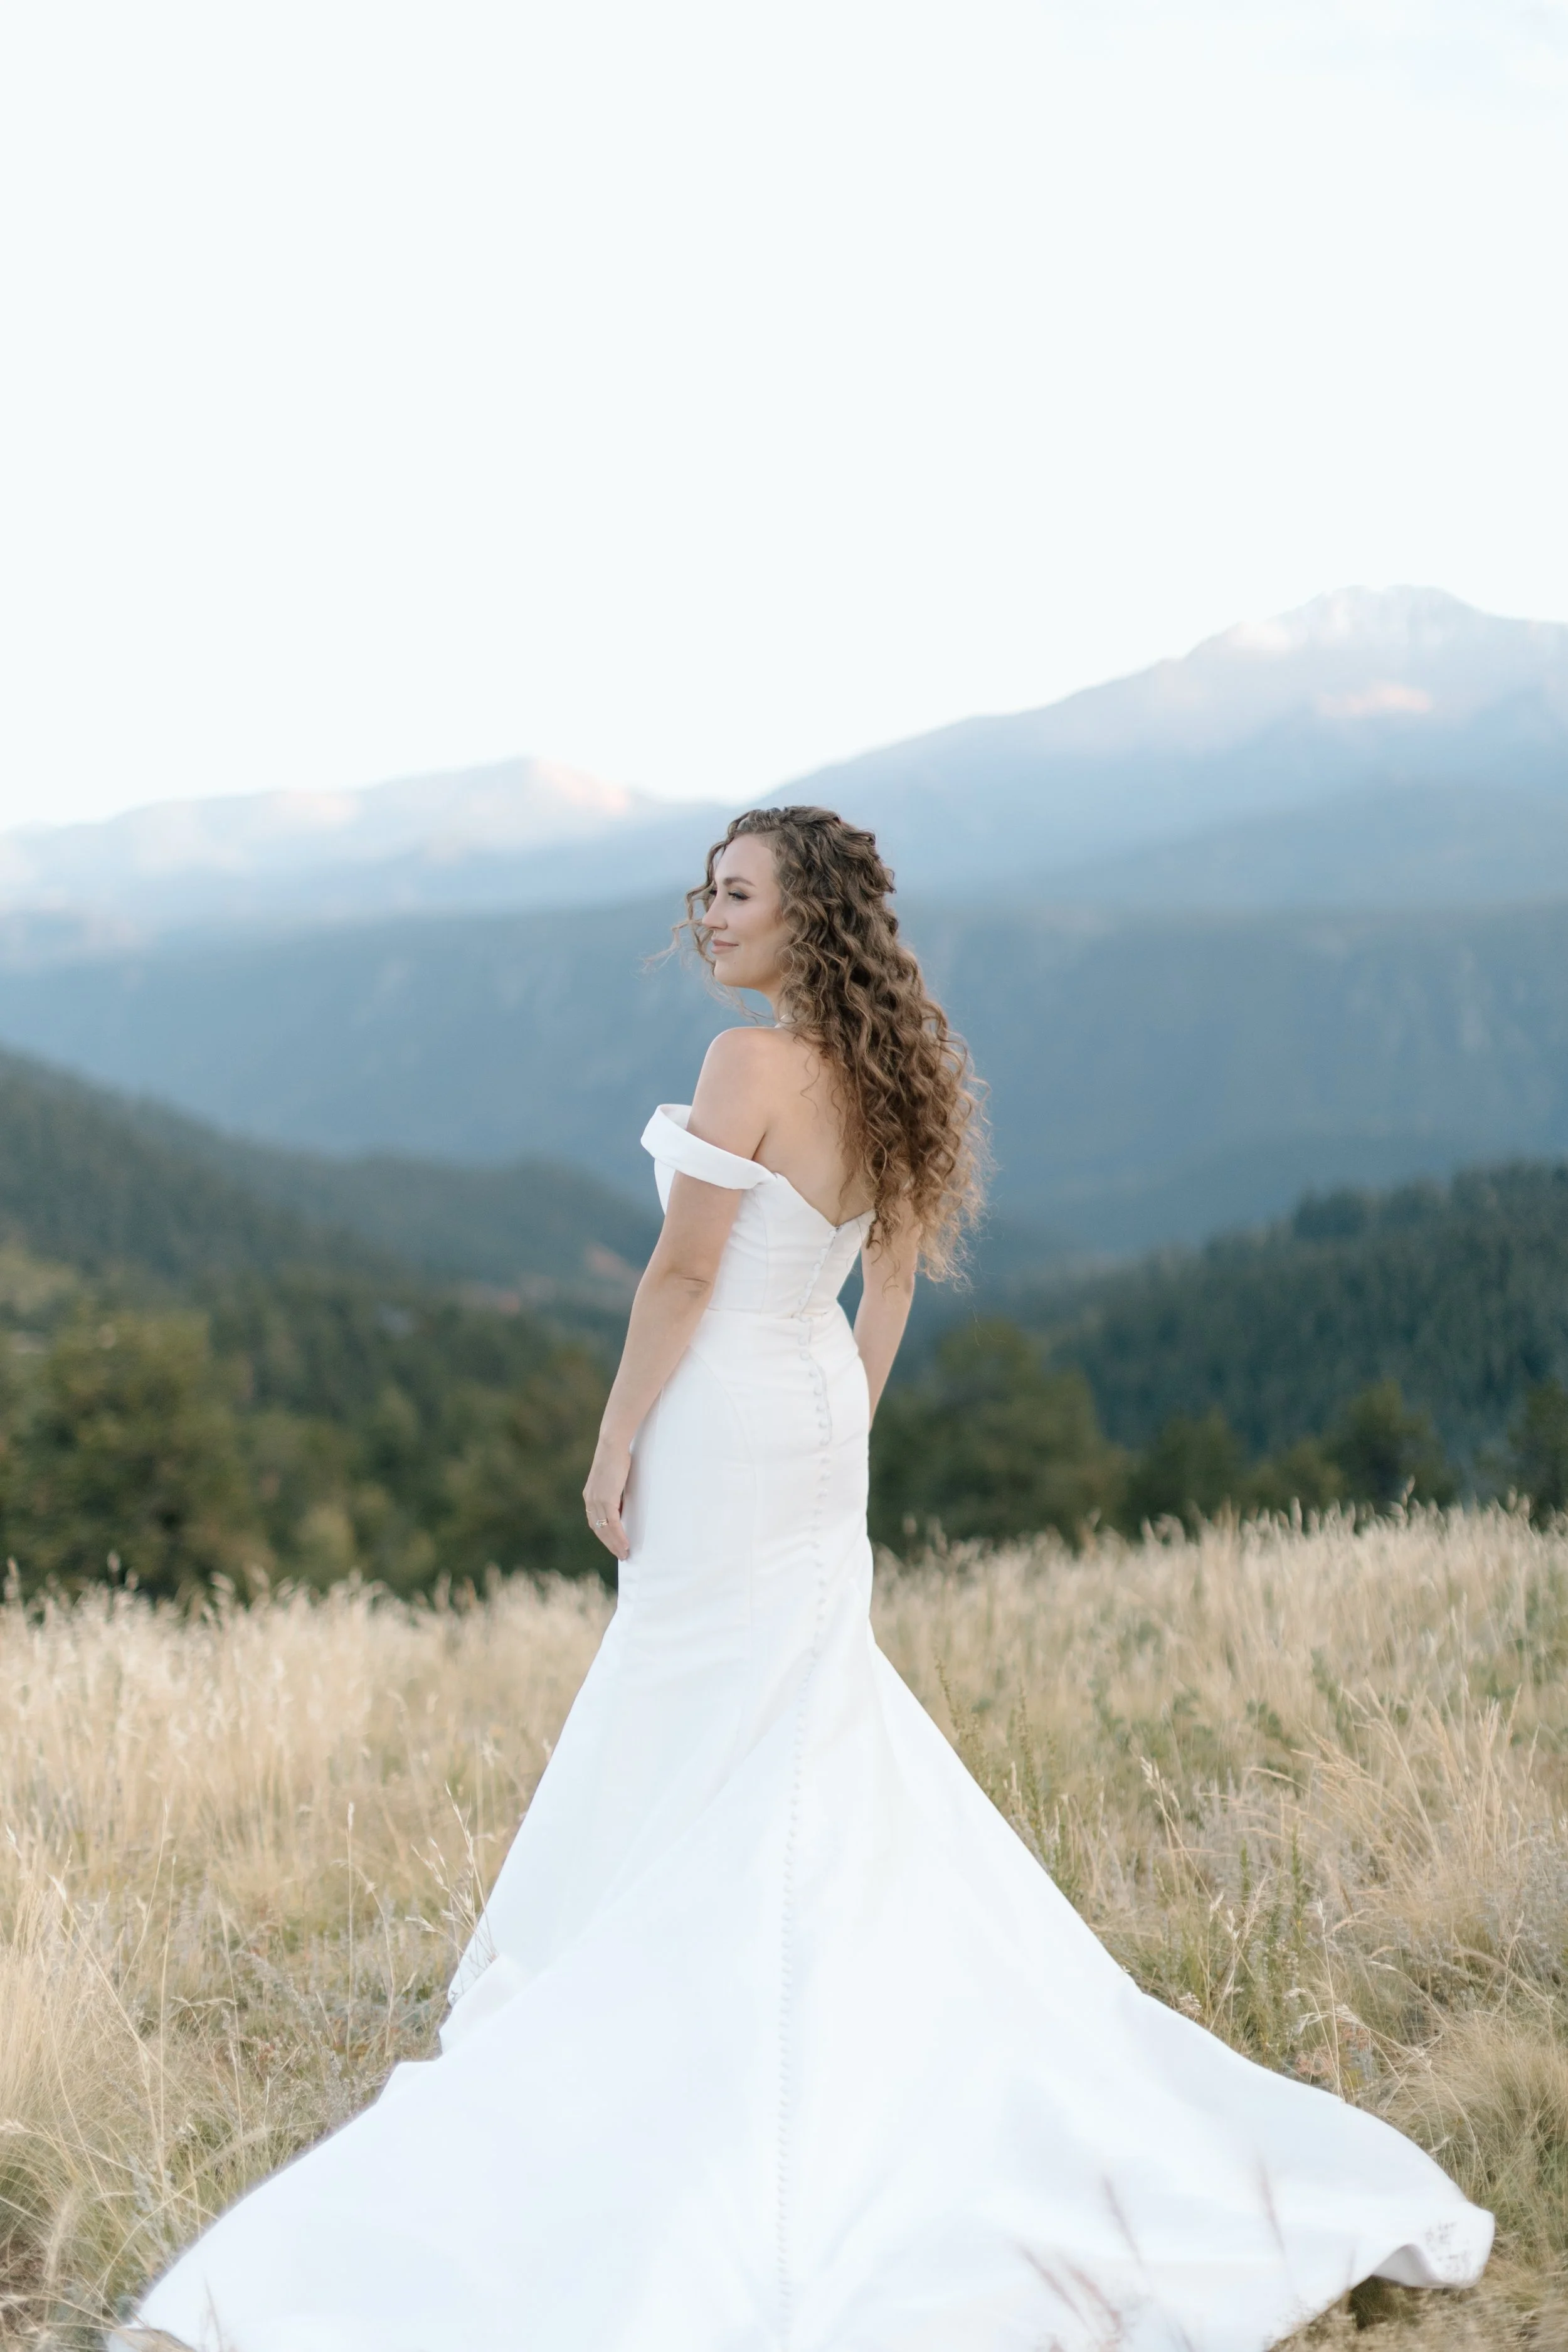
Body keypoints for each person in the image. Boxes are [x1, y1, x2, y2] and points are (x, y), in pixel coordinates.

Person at [121, 807, 1491, 2352]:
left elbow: (684, 1275)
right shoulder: (888, 1071)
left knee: (703, 1682)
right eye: (703, 889)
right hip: (812, 1411)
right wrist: (840, 1410)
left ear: (808, 915)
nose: (708, 914)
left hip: (720, 1414)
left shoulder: (749, 1068)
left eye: (739, 893)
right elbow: (887, 1277)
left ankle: (692, 1998)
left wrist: (614, 1434)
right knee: (798, 1696)